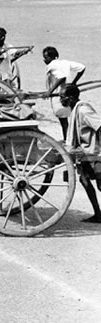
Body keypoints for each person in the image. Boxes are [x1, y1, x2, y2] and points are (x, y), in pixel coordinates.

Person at [61, 84, 101, 223]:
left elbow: (100, 125)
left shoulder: (83, 110)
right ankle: (98, 214)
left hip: (93, 152)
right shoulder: (73, 110)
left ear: (71, 98)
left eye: (63, 97)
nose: (61, 100)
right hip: (82, 152)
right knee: (84, 181)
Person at [43, 46, 86, 139]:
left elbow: (62, 77)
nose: (44, 60)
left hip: (60, 95)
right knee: (70, 119)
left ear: (52, 57)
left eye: (46, 58)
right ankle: (70, 139)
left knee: (63, 121)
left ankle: (67, 140)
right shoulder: (65, 62)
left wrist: (49, 91)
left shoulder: (51, 65)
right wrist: (74, 83)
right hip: (69, 94)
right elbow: (82, 68)